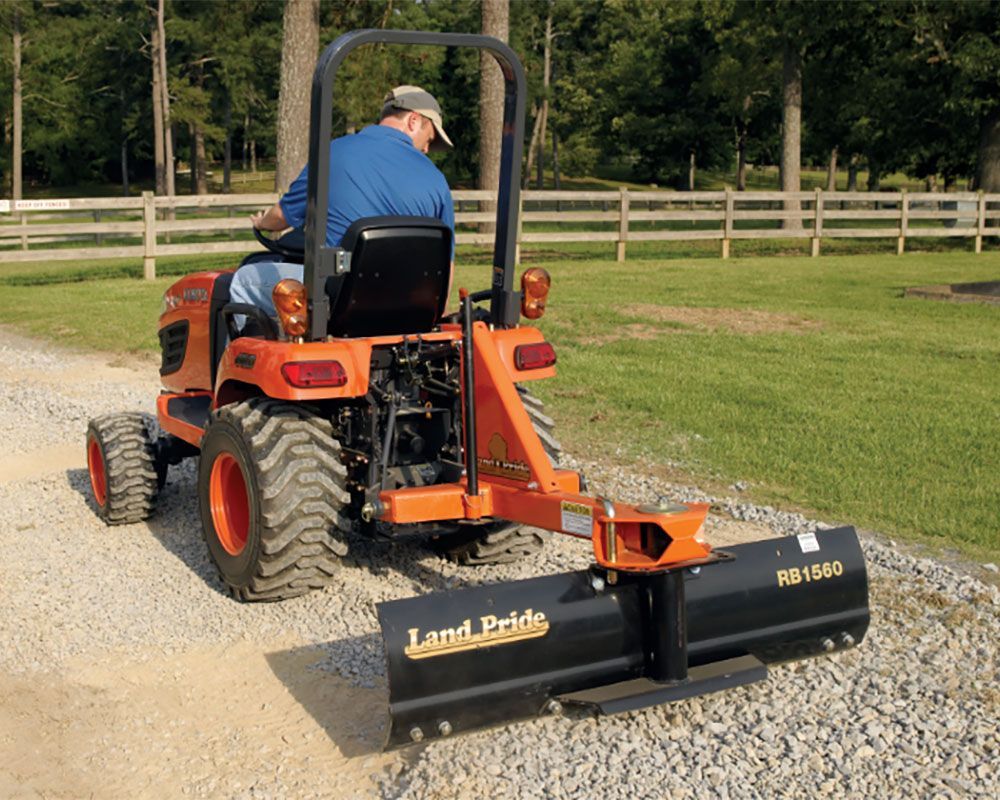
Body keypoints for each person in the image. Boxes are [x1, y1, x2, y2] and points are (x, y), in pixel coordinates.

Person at [230, 85, 455, 322]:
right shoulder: (437, 180)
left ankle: (231, 359)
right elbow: (445, 265)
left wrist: (262, 221)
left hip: (339, 297)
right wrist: (434, 317)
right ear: (413, 120)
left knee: (244, 280)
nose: (427, 148)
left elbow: (281, 217)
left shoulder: (334, 152)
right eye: (429, 138)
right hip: (407, 303)